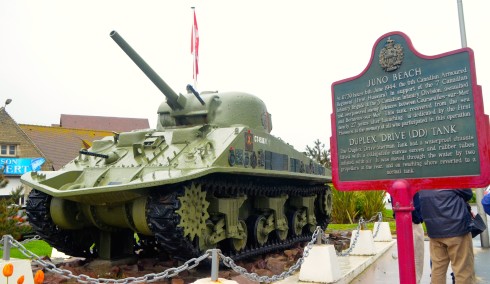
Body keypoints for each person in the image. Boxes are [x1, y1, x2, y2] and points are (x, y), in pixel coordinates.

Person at [419, 189, 475, 284]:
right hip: (457, 230)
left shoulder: (424, 183)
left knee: (437, 270)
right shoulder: (450, 178)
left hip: (435, 232)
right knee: (463, 270)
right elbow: (468, 193)